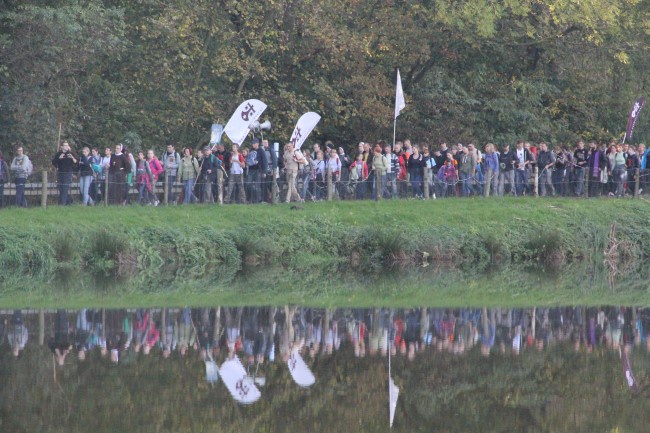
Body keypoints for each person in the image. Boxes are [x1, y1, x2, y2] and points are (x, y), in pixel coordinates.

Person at [52, 141, 78, 205]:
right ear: (62, 147)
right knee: (60, 187)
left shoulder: (71, 153)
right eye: (65, 145)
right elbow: (54, 162)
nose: (66, 146)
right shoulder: (59, 154)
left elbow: (76, 162)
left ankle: (62, 204)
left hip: (68, 173)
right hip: (60, 172)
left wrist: (72, 157)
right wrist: (59, 158)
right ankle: (68, 202)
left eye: (67, 145)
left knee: (65, 188)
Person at [246, 138, 268, 204]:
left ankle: (258, 200)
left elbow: (264, 161)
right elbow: (248, 159)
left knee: (257, 186)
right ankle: (250, 199)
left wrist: (264, 171)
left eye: (254, 143)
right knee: (248, 184)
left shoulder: (261, 151)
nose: (253, 144)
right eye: (252, 143)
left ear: (257, 143)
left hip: (258, 170)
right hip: (251, 170)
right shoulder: (251, 150)